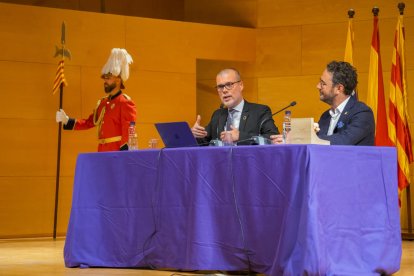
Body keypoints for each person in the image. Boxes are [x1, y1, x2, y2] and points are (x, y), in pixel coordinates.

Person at [56, 48, 137, 152]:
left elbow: (129, 131)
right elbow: (90, 122)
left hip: (116, 152)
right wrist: (67, 120)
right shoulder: (103, 103)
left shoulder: (125, 102)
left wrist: (123, 154)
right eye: (104, 78)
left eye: (108, 78)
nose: (105, 81)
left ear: (118, 80)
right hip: (101, 151)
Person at [191, 68, 279, 145]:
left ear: (241, 85)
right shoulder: (218, 115)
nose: (224, 90)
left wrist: (240, 136)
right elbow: (205, 142)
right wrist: (194, 135)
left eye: (229, 85)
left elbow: (273, 138)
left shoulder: (259, 111)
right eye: (220, 86)